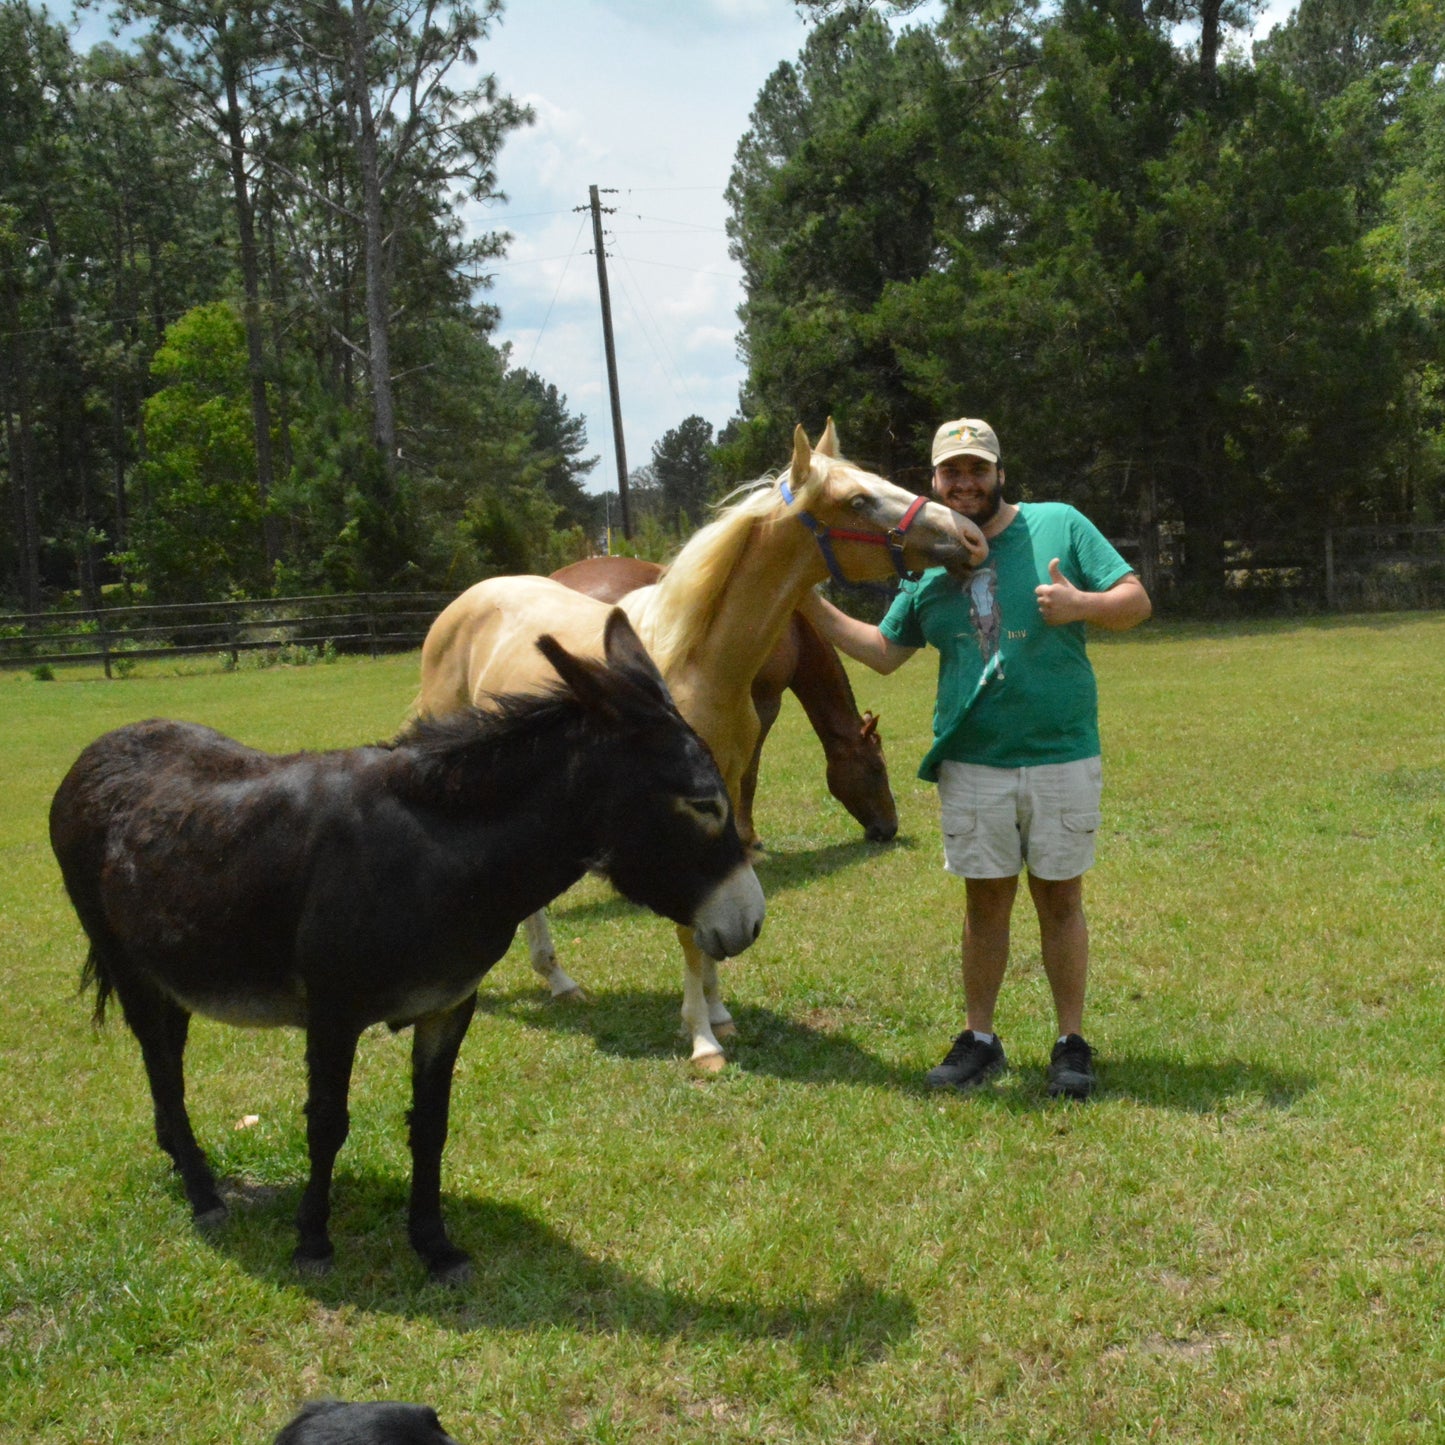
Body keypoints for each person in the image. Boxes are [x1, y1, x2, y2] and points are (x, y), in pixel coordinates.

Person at [801, 418, 1151, 1098]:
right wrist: (805, 602)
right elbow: (881, 651)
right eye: (950, 471)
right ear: (933, 480)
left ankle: (1070, 1043)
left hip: (1059, 751)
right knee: (984, 904)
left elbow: (1134, 601)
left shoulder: (1059, 524)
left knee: (1060, 899)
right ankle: (979, 1040)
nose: (964, 482)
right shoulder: (928, 557)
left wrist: (1083, 604)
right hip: (972, 762)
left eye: (976, 468)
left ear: (997, 472)